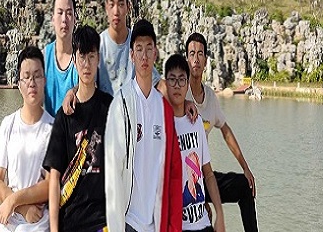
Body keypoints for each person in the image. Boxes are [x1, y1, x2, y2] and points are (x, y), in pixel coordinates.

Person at [105, 19, 182, 232]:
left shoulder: (164, 109)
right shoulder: (121, 104)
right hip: (129, 222)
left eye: (149, 48)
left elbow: (175, 173)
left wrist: (174, 227)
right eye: (139, 49)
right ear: (132, 55)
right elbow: (112, 173)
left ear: (156, 53)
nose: (144, 56)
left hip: (157, 222)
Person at [185, 33, 258, 232]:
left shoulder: (210, 96)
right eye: (192, 54)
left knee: (245, 186)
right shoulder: (179, 93)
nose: (196, 59)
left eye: (200, 54)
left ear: (206, 61)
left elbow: (226, 131)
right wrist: (201, 201)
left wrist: (246, 168)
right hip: (183, 180)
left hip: (204, 176)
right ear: (186, 60)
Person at [43, 25, 113, 232]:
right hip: (71, 220)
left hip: (102, 220)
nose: (86, 64)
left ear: (98, 59)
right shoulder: (64, 116)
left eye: (91, 57)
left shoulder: (110, 108)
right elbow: (54, 178)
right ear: (74, 60)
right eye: (82, 57)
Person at [0, 46, 53, 232]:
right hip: (10, 216)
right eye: (26, 77)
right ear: (19, 84)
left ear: (44, 81)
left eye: (37, 76)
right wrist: (19, 206)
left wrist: (15, 201)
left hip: (38, 220)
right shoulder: (8, 124)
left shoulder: (53, 128)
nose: (32, 83)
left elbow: (50, 184)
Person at [164, 54, 225, 232]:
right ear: (165, 83)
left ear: (188, 83)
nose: (177, 85)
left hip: (203, 223)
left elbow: (208, 173)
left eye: (182, 80)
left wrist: (220, 214)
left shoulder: (196, 121)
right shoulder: (162, 125)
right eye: (172, 80)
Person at [98, 0, 161, 95]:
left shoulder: (137, 44)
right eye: (112, 5)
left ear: (128, 7)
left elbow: (157, 83)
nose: (116, 11)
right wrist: (72, 92)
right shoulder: (99, 45)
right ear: (106, 7)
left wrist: (181, 100)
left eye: (121, 4)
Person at [44, 0, 79, 116]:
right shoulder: (44, 58)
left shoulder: (83, 58)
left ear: (75, 19)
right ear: (53, 19)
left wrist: (74, 90)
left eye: (69, 13)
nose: (64, 19)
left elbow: (92, 88)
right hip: (49, 127)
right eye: (60, 13)